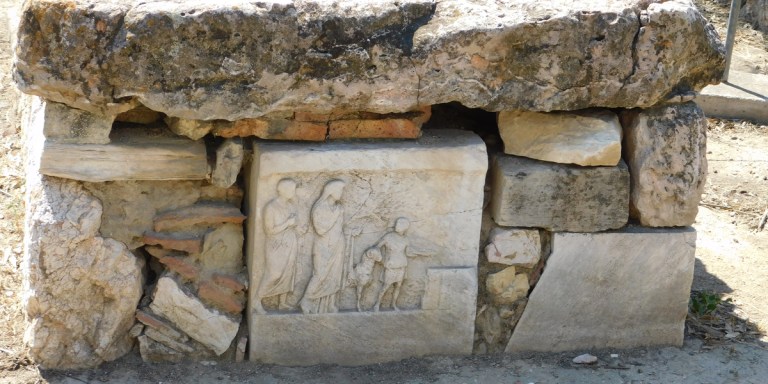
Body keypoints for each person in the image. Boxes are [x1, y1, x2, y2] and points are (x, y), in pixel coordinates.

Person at [300, 180, 347, 314]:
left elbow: (339, 227)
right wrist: (335, 215)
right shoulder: (319, 207)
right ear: (331, 191)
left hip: (337, 245)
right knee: (320, 275)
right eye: (340, 190)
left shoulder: (339, 207)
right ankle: (305, 300)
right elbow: (320, 230)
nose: (342, 193)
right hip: (323, 247)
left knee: (334, 276)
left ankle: (329, 304)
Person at [254, 178, 299, 314]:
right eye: (292, 189)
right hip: (275, 245)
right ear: (283, 190)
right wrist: (287, 223)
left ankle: (282, 303)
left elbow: (294, 223)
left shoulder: (291, 205)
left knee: (288, 272)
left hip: (290, 243)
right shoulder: (271, 207)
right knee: (274, 274)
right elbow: (269, 230)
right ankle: (257, 300)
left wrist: (296, 226)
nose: (294, 192)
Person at [372, 217, 430, 311]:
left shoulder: (405, 239)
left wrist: (422, 253)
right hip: (391, 265)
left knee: (398, 286)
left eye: (399, 224)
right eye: (397, 223)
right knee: (385, 286)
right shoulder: (389, 236)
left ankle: (394, 304)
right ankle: (377, 304)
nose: (396, 225)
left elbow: (408, 253)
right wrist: (381, 260)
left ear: (405, 227)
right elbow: (377, 248)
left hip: (401, 265)